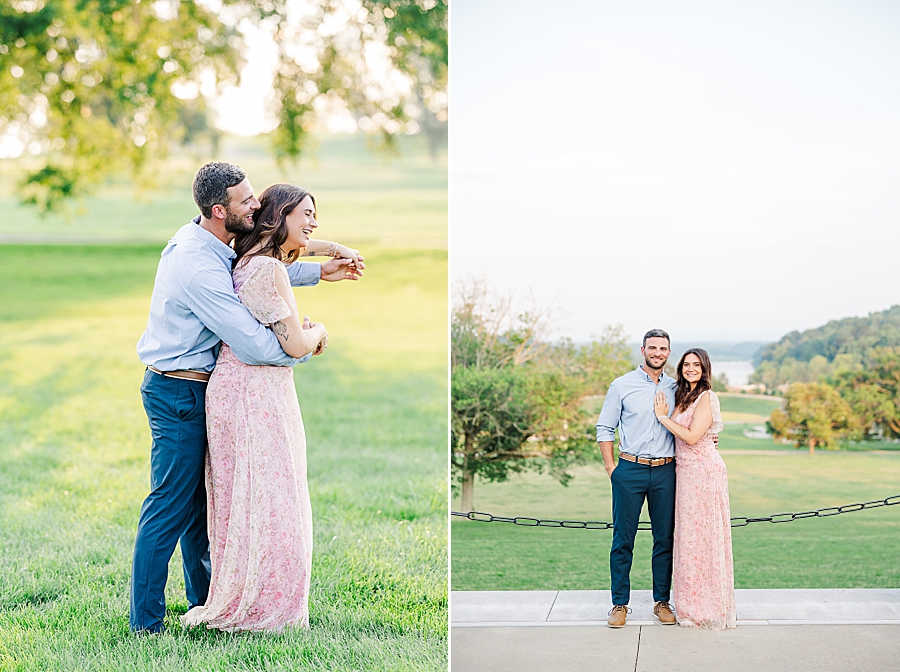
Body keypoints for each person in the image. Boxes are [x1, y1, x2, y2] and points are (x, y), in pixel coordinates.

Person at [131, 162, 361, 634]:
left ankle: (208, 598)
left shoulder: (212, 242)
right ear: (220, 211)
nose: (256, 205)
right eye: (246, 200)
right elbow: (254, 342)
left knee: (202, 507)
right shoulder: (196, 264)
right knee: (171, 504)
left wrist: (321, 269)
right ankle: (147, 624)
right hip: (179, 391)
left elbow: (256, 270)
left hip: (197, 386)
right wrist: (312, 338)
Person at [182, 183, 326, 632]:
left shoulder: (246, 262)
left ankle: (243, 590)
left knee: (240, 497)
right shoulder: (268, 270)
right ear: (281, 217)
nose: (313, 223)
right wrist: (318, 332)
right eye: (306, 213)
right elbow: (295, 343)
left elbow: (278, 317)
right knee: (274, 497)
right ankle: (267, 605)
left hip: (233, 388)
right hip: (257, 392)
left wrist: (331, 253)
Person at [596, 329, 678, 628]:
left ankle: (662, 601)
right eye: (652, 347)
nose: (657, 353)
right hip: (629, 470)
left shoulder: (676, 387)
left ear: (669, 352)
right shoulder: (621, 386)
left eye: (663, 348)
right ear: (643, 350)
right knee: (622, 539)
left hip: (667, 471)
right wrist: (611, 469)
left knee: (665, 539)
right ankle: (619, 604)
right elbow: (604, 428)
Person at [654, 348, 735, 630]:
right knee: (688, 541)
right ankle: (689, 604)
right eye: (686, 364)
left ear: (705, 369)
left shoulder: (706, 396)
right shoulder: (682, 395)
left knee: (705, 540)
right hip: (685, 474)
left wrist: (663, 418)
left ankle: (707, 607)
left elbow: (690, 436)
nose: (690, 368)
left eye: (696, 365)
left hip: (703, 474)